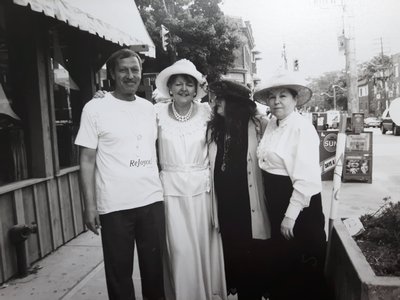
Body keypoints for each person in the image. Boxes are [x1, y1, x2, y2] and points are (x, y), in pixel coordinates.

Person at [75, 48, 165, 300]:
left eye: (134, 69)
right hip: (115, 206)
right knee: (119, 276)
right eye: (123, 70)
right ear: (112, 74)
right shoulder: (95, 108)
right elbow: (87, 158)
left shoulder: (150, 109)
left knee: (155, 273)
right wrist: (89, 206)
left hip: (151, 201)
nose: (130, 75)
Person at [154, 59, 227, 300]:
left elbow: (244, 115)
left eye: (189, 84)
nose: (184, 88)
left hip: (202, 192)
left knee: (201, 245)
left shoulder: (208, 112)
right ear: (170, 88)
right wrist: (103, 99)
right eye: (178, 83)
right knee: (179, 249)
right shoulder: (156, 114)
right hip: (170, 192)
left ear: (197, 89)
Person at [254, 71, 327, 300]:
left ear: (295, 100)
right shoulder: (273, 125)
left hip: (299, 207)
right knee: (283, 264)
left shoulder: (301, 128)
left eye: (283, 96)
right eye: (272, 97)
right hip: (276, 202)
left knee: (301, 269)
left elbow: (306, 179)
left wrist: (290, 215)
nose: (277, 101)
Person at [206, 80, 272, 300]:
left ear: (235, 104)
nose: (216, 102)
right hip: (226, 207)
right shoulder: (214, 128)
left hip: (249, 205)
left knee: (251, 260)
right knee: (233, 257)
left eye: (221, 99)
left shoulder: (258, 126)